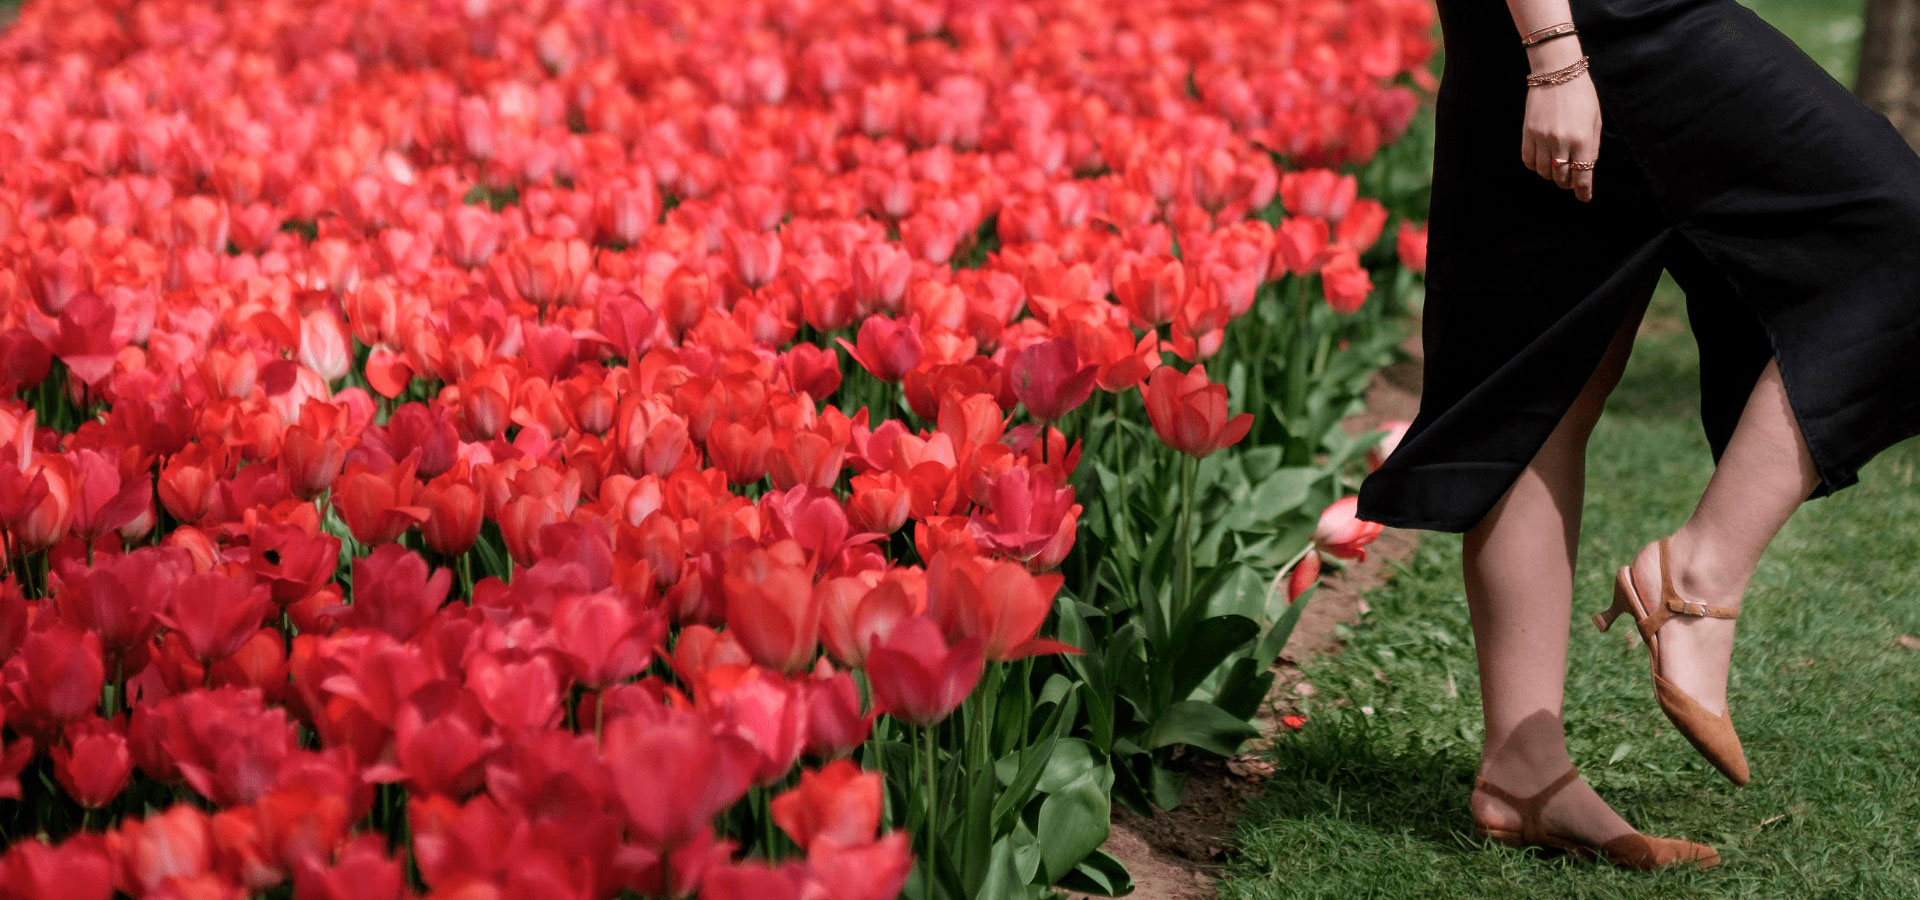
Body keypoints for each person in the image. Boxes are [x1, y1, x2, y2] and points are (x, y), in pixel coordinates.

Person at [1352, 0, 1920, 871]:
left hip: (1560, 32)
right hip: (1600, 25)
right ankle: (1695, 578)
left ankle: (1521, 773)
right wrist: (1555, 56)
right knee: (1896, 230)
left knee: (1548, 377)